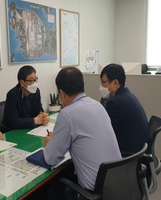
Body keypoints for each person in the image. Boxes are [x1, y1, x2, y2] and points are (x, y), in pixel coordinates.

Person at [43, 67, 121, 199]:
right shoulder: (98, 105)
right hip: (118, 182)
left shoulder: (67, 114)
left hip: (95, 191)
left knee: (49, 189)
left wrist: (49, 143)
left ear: (61, 92)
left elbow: (51, 159)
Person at [99, 63, 149, 153]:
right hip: (138, 148)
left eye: (103, 82)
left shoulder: (115, 102)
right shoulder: (127, 95)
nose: (101, 86)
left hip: (128, 153)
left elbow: (107, 132)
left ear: (115, 83)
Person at [2, 65, 49, 131]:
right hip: (13, 131)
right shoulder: (12, 95)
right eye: (31, 80)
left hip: (31, 129)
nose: (34, 83)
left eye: (35, 79)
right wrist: (34, 120)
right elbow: (15, 122)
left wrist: (43, 116)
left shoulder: (36, 91)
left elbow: (39, 108)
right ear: (22, 82)